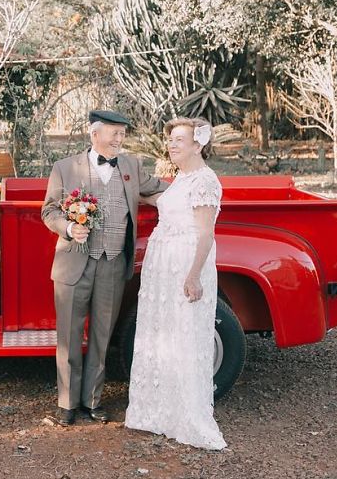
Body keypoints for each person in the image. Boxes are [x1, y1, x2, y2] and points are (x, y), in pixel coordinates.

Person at [41, 110, 168, 426]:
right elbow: (49, 211)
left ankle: (93, 401)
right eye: (114, 132)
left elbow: (157, 188)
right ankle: (67, 404)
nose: (119, 138)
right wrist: (69, 228)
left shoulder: (130, 166)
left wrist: (195, 182)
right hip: (74, 263)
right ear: (94, 133)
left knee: (101, 335)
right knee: (69, 336)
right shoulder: (65, 168)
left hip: (113, 263)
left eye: (123, 133)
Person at [124, 117, 227, 450]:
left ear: (198, 144)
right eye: (170, 140)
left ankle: (185, 414)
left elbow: (206, 233)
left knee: (184, 333)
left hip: (185, 262)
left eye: (179, 139)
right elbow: (165, 202)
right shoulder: (181, 178)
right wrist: (134, 195)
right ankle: (158, 409)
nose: (171, 144)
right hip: (162, 265)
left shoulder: (205, 181)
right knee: (162, 331)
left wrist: (194, 275)